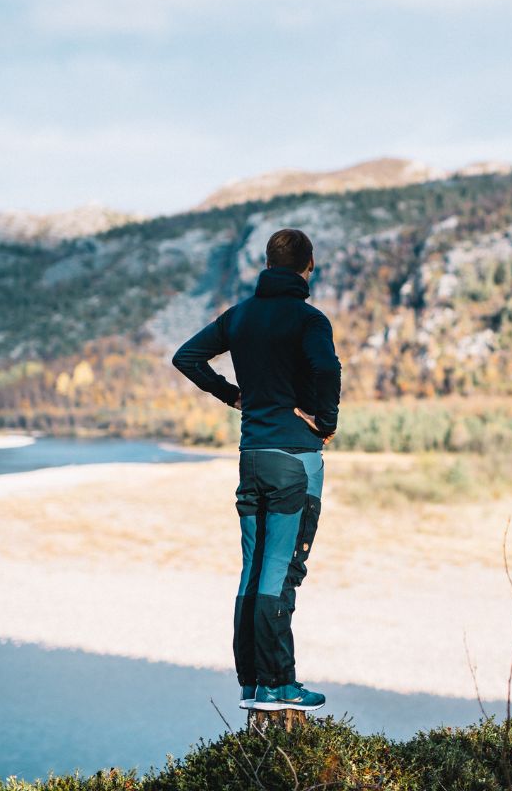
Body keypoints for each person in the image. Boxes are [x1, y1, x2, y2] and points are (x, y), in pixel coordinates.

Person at [171, 227, 341, 712]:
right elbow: (328, 371)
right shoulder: (310, 320)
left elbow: (186, 357)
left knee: (252, 568)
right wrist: (324, 423)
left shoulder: (240, 316)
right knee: (281, 570)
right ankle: (278, 685)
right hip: (295, 461)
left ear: (268, 266)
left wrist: (233, 396)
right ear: (308, 267)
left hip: (252, 458)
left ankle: (252, 681)